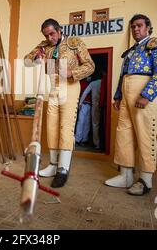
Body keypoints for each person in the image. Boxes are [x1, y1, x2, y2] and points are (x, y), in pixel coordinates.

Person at [105, 14, 157, 196]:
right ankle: (125, 175)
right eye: (133, 26)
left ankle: (145, 180)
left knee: (145, 135)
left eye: (139, 25)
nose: (135, 29)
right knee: (123, 133)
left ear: (148, 28)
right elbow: (123, 76)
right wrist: (118, 96)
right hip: (127, 95)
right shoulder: (131, 51)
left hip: (144, 95)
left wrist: (147, 95)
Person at [24, 19, 95, 188]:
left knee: (66, 127)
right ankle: (53, 165)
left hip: (69, 86)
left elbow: (90, 66)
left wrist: (72, 72)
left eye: (52, 34)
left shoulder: (74, 43)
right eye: (46, 35)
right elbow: (26, 61)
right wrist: (36, 56)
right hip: (53, 87)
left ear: (59, 30)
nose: (50, 38)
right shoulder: (44, 46)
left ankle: (63, 169)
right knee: (51, 127)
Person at [77, 75, 102, 149]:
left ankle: (84, 140)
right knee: (81, 122)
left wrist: (80, 103)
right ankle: (78, 139)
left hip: (89, 105)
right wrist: (80, 103)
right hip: (85, 104)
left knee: (86, 123)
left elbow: (85, 93)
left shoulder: (92, 83)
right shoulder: (82, 83)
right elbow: (83, 93)